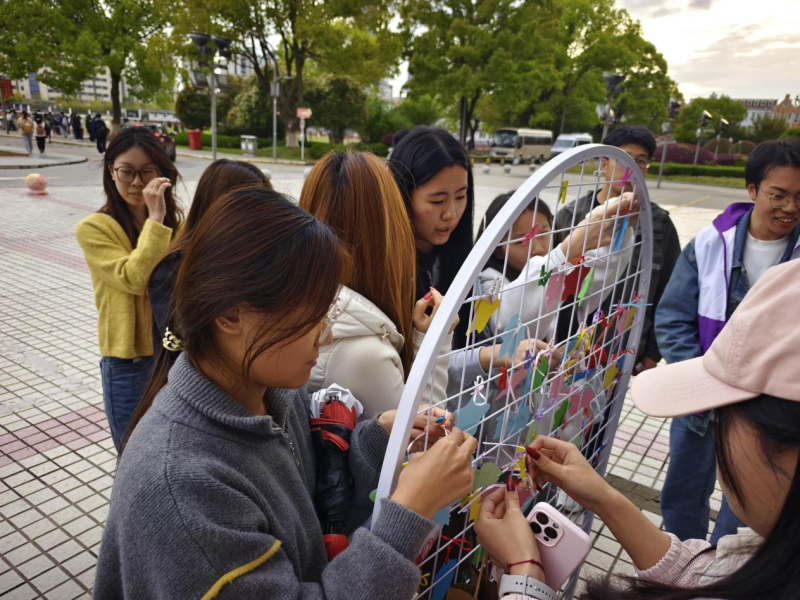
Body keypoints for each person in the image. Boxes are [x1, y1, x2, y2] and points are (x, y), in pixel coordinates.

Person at [94, 186, 479, 599]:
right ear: (229, 315)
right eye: (311, 315)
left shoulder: (268, 395)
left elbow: (317, 492)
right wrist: (408, 514)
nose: (326, 333)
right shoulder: (182, 490)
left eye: (327, 311)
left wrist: (380, 436)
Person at [474, 258, 800, 600]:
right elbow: (702, 573)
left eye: (725, 414)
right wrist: (603, 497)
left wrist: (525, 570)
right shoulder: (771, 556)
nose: (717, 434)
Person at [655, 138, 800, 544]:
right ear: (752, 190)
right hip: (702, 402)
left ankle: (723, 573)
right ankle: (678, 568)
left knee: (748, 510)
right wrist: (704, 380)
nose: (790, 207)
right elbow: (672, 318)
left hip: (770, 411)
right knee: (682, 494)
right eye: (779, 195)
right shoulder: (707, 244)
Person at [301, 151, 455, 417]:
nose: (450, 213)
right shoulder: (363, 354)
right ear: (389, 231)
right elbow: (422, 442)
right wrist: (436, 341)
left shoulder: (312, 306)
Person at [448, 192, 634, 400]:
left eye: (544, 233)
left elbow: (601, 266)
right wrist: (565, 251)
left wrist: (617, 225)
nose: (537, 247)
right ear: (498, 250)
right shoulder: (489, 284)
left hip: (562, 409)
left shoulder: (564, 268)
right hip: (509, 415)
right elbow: (513, 319)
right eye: (521, 240)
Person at [75, 126, 183, 451]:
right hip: (129, 364)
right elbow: (132, 278)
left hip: (171, 354)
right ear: (111, 172)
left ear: (161, 173)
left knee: (172, 448)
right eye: (126, 172)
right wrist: (157, 218)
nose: (136, 182)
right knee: (134, 454)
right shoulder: (94, 228)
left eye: (146, 171)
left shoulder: (173, 224)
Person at [554, 126, 681, 374]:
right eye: (624, 158)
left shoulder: (658, 224)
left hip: (622, 353)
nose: (631, 168)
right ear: (604, 163)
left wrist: (652, 353)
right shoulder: (570, 217)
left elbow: (669, 292)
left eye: (640, 161)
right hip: (565, 350)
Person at [148, 159, 272, 354]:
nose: (258, 217)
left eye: (263, 207)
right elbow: (183, 347)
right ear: (214, 207)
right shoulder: (174, 268)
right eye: (247, 207)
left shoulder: (256, 259)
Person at [389, 126, 475, 349]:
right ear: (402, 195)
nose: (452, 214)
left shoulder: (461, 258)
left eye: (461, 196)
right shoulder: (386, 272)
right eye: (437, 201)